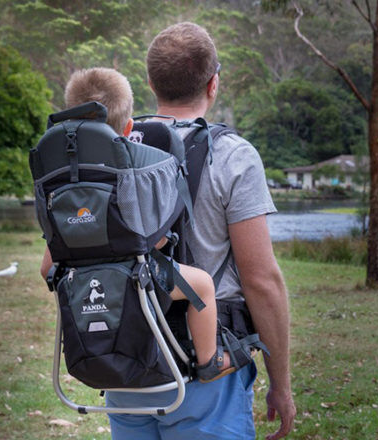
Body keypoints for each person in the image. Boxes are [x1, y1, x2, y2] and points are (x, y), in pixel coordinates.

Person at [105, 23, 296, 440]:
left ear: (151, 82)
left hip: (124, 358)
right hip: (204, 370)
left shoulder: (111, 148)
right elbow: (262, 281)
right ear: (214, 83)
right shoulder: (233, 156)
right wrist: (281, 384)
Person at [40, 66, 235, 382]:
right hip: (137, 274)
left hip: (79, 278)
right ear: (129, 127)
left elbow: (47, 264)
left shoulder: (60, 174)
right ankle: (209, 361)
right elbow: (152, 240)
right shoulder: (133, 171)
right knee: (202, 285)